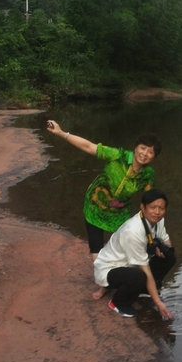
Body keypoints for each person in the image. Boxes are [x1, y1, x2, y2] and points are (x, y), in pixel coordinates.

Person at [46, 119, 162, 298]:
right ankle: (103, 284)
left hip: (119, 213)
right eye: (142, 148)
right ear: (135, 147)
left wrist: (155, 234)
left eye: (150, 152)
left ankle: (126, 279)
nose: (145, 154)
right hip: (95, 205)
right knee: (96, 248)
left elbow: (150, 201)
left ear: (154, 157)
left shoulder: (147, 174)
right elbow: (89, 147)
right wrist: (62, 133)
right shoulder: (117, 155)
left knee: (124, 245)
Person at [93, 188, 175, 319]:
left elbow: (166, 240)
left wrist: (162, 247)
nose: (158, 212)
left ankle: (144, 290)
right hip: (111, 268)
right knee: (139, 276)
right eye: (153, 207)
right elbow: (146, 271)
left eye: (161, 208)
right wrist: (158, 303)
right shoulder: (133, 231)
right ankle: (118, 302)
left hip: (131, 264)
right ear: (143, 207)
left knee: (169, 255)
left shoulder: (158, 220)